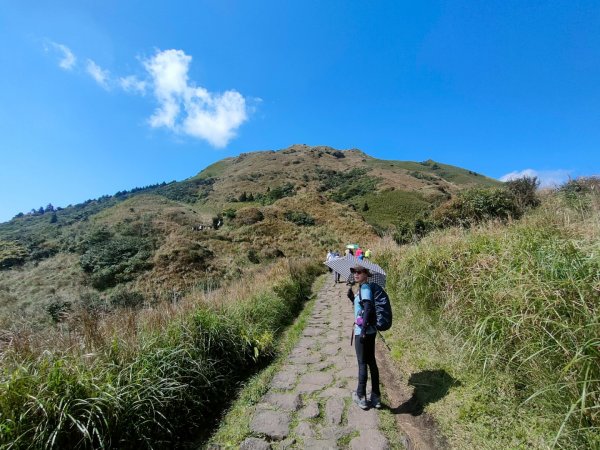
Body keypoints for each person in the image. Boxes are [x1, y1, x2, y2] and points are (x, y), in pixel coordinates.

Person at [347, 265, 381, 410]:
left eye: (359, 272)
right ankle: (376, 397)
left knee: (362, 363)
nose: (356, 274)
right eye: (354, 272)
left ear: (366, 274)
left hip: (363, 331)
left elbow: (367, 309)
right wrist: (351, 298)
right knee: (371, 362)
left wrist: (362, 331)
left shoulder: (365, 288)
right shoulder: (363, 288)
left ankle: (360, 396)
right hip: (369, 331)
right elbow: (362, 307)